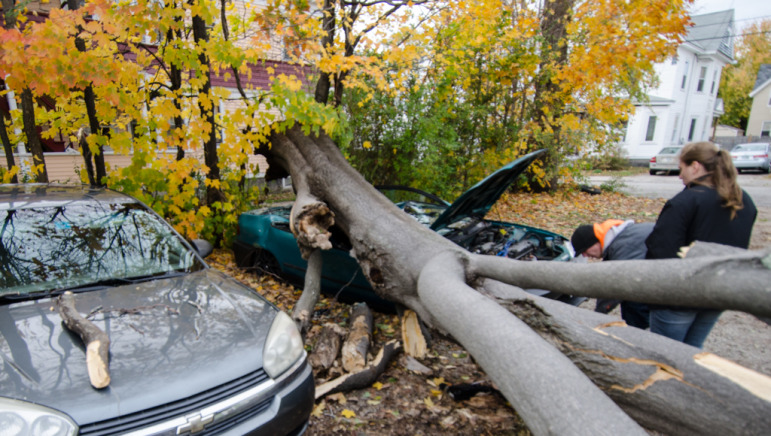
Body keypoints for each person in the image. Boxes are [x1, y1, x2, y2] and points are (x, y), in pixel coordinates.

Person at [645, 141, 757, 348]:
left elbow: (661, 250)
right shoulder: (743, 201)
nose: (680, 176)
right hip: (717, 295)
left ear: (695, 166)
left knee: (664, 356)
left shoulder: (686, 201)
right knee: (692, 354)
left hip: (678, 297)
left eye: (681, 169)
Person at [571, 219, 654, 329]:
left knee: (633, 302)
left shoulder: (622, 245)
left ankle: (640, 337)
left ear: (595, 242)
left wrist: (598, 315)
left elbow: (616, 285)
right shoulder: (620, 237)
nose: (585, 256)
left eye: (585, 251)